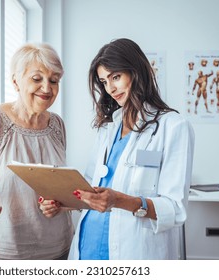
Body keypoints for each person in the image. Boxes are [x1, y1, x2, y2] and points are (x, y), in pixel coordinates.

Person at [54, 38, 194, 260]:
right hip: (87, 246)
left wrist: (119, 200)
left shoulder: (174, 126)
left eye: (116, 77)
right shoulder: (108, 128)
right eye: (104, 81)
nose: (110, 88)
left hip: (134, 252)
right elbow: (93, 188)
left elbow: (175, 209)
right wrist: (63, 201)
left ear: (136, 71)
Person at [0, 42, 73, 260]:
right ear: (15, 81)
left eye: (54, 80)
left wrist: (57, 202)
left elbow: (54, 184)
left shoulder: (57, 125)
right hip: (0, 253)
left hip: (57, 249)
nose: (47, 88)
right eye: (37, 79)